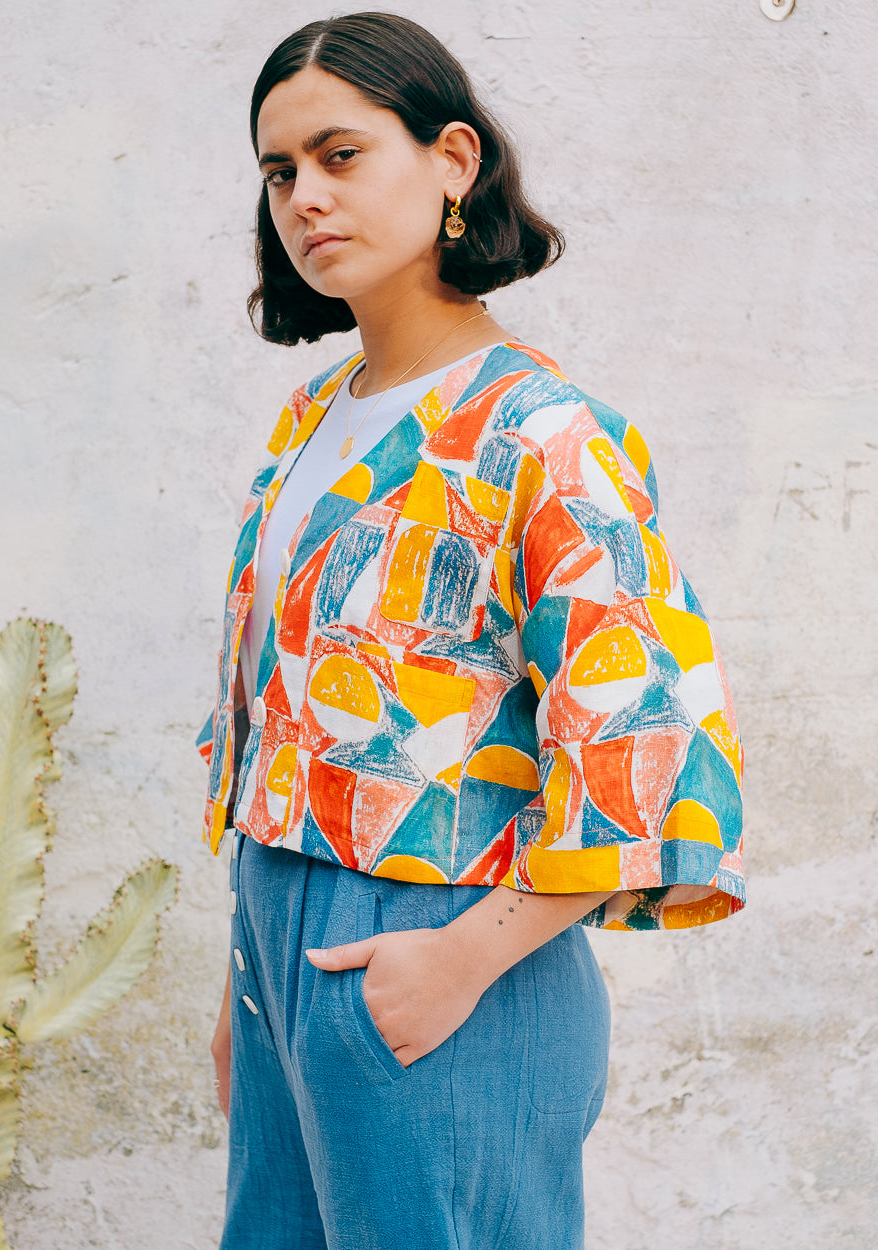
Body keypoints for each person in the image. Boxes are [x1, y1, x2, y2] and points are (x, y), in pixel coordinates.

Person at [198, 12, 745, 1249]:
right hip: (279, 935)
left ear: (451, 159)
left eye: (341, 155)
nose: (304, 199)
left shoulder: (545, 432)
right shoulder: (308, 422)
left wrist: (457, 960)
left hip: (452, 950)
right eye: (279, 172)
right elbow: (282, 720)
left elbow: (647, 741)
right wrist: (250, 976)